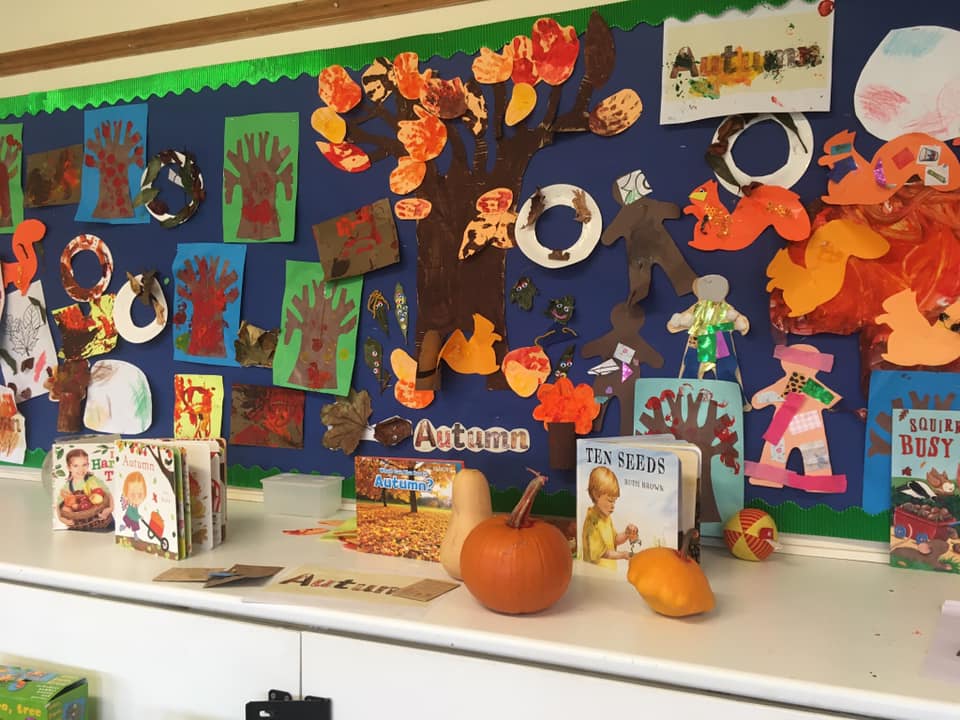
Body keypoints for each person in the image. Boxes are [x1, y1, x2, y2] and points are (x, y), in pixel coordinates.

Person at [581, 466, 638, 569]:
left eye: (614, 501)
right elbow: (602, 552)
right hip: (595, 574)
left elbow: (615, 540)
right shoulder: (592, 521)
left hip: (608, 573)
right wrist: (623, 555)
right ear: (596, 495)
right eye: (610, 500)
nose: (613, 506)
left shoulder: (606, 518)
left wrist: (626, 534)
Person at [60, 447, 113, 525]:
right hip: (80, 523)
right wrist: (61, 519)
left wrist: (110, 509)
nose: (81, 469)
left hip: (102, 519)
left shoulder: (93, 479)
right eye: (76, 466)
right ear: (69, 468)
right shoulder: (67, 486)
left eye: (84, 465)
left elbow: (108, 493)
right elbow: (58, 504)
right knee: (65, 507)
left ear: (88, 465)